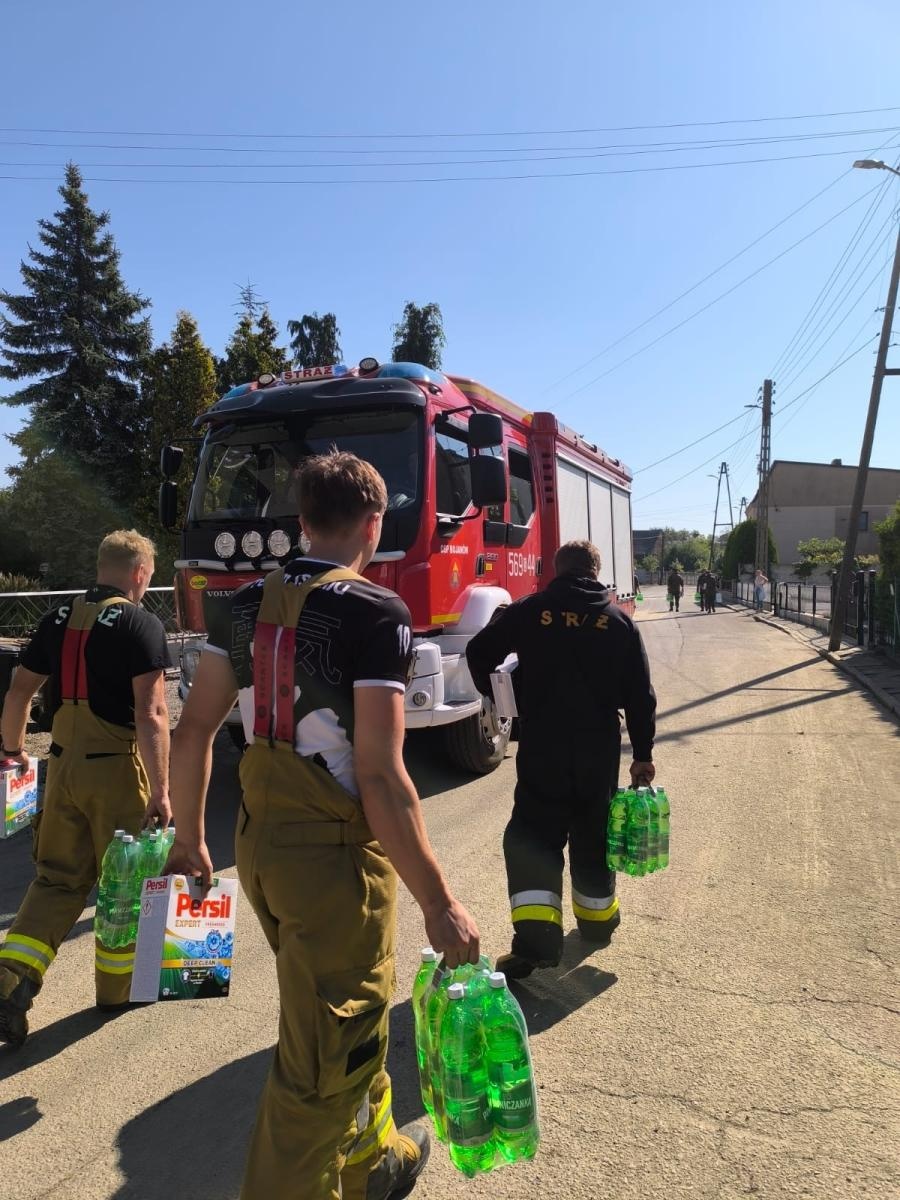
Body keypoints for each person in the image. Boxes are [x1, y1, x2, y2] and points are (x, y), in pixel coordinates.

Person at [165, 450, 479, 1200]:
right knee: (322, 1060)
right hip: (332, 866)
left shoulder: (240, 608)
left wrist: (187, 839)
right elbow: (380, 776)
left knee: (331, 1016)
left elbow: (194, 730)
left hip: (260, 848)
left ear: (301, 524)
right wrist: (440, 903)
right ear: (374, 523)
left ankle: (373, 1162)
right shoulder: (377, 614)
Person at [0, 531, 172, 1047]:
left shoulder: (55, 619)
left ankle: (11, 983)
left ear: (102, 567)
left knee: (56, 879)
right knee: (128, 884)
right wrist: (162, 789)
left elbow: (19, 691)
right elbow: (153, 713)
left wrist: (12, 750)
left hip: (62, 768)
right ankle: (118, 992)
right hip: (116, 769)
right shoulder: (142, 623)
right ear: (140, 572)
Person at [465, 540, 657, 980]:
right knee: (593, 833)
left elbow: (478, 653)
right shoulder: (618, 623)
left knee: (532, 838)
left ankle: (536, 948)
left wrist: (499, 699)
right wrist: (643, 754)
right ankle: (596, 922)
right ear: (595, 572)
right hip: (598, 751)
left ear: (558, 569)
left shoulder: (531, 611)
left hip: (543, 748)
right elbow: (641, 698)